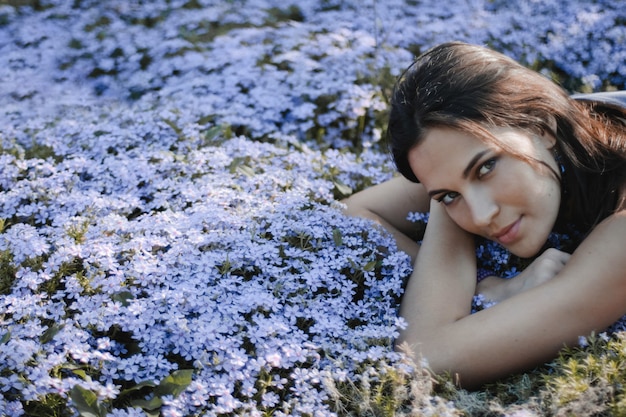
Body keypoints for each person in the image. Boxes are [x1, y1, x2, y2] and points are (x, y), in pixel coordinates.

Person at [342, 42, 626, 389]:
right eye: (449, 195)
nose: (482, 215)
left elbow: (424, 359)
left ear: (542, 127)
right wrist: (488, 287)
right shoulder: (511, 138)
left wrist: (448, 201)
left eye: (486, 167)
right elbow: (355, 212)